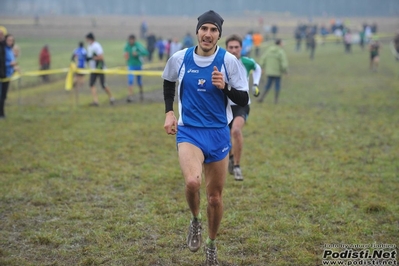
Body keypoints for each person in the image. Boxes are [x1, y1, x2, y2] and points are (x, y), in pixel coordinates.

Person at [162, 10, 248, 265]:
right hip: (189, 131)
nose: (208, 34)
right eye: (204, 29)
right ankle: (195, 220)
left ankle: (211, 243)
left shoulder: (229, 61)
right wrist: (169, 112)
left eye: (213, 30)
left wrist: (226, 88)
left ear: (219, 35)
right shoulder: (180, 58)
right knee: (192, 183)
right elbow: (168, 82)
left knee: (215, 198)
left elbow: (242, 100)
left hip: (219, 133)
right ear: (197, 31)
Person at [225, 34, 261, 181]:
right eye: (231, 47)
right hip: (224, 106)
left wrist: (255, 84)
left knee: (236, 130)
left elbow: (257, 68)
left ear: (241, 48)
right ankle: (231, 157)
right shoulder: (221, 62)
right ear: (226, 49)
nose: (234, 50)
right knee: (224, 137)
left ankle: (237, 167)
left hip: (241, 105)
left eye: (236, 47)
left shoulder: (246, 62)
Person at [85, 32, 114, 106]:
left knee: (103, 85)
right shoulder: (89, 46)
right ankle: (95, 101)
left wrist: (93, 58)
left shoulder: (97, 46)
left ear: (90, 39)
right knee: (91, 84)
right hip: (93, 69)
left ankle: (111, 97)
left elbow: (101, 57)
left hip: (99, 68)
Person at [258, 39, 288, 104]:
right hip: (277, 72)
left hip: (269, 72)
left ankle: (262, 98)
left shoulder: (269, 50)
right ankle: (276, 100)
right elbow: (283, 63)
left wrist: (262, 67)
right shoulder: (281, 52)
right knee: (277, 86)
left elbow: (263, 58)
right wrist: (285, 70)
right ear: (280, 43)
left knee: (267, 85)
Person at [124, 34, 148, 102]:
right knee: (130, 80)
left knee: (139, 81)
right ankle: (130, 96)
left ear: (134, 40)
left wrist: (137, 54)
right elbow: (125, 53)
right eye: (130, 40)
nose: (130, 41)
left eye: (132, 40)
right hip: (131, 65)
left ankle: (141, 93)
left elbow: (146, 53)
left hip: (138, 65)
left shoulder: (138, 45)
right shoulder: (127, 46)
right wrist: (126, 56)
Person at [1, 34, 19, 119]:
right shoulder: (3, 50)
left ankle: (2, 113)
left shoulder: (10, 50)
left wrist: (15, 67)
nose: (10, 42)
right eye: (9, 40)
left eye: (12, 40)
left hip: (8, 75)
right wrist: (10, 64)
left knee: (4, 96)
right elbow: (2, 63)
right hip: (2, 75)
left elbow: (12, 61)